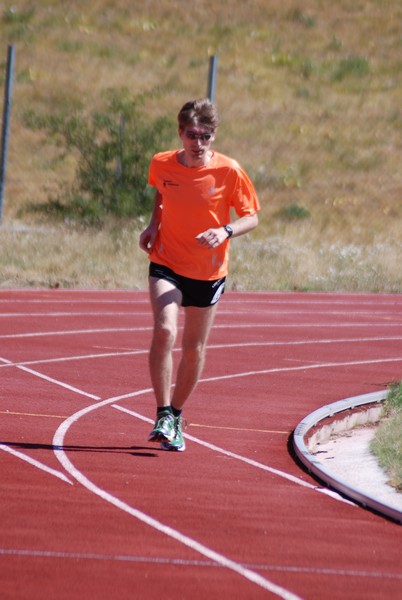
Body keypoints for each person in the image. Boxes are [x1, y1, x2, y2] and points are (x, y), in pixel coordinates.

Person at [139, 98, 260, 452]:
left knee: (193, 348)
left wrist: (225, 231)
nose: (198, 142)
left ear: (213, 136)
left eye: (205, 136)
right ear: (180, 133)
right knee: (164, 330)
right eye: (192, 134)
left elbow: (252, 216)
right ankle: (162, 412)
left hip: (208, 272)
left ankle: (176, 415)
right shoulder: (162, 163)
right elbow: (161, 195)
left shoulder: (229, 171)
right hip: (166, 261)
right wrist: (152, 225)